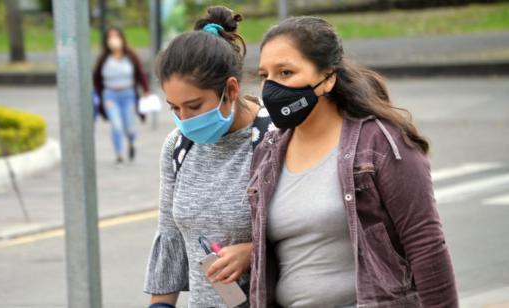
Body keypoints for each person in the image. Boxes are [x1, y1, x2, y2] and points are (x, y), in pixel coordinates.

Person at [249, 16, 458, 307]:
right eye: (264, 76)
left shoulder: (380, 143)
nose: (271, 88)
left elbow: (425, 244)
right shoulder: (267, 154)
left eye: (285, 72)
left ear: (328, 77)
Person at [144, 6, 273, 308]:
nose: (184, 120)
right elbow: (170, 239)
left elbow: (310, 235)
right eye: (174, 108)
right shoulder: (178, 146)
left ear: (230, 89)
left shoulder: (274, 137)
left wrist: (254, 251)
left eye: (194, 106)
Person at [93, 27, 150, 165]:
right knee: (116, 125)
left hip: (128, 95)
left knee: (130, 127)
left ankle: (131, 142)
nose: (113, 40)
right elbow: (96, 78)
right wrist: (100, 97)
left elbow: (140, 74)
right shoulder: (103, 59)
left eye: (116, 36)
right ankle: (119, 154)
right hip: (110, 96)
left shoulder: (130, 56)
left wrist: (146, 90)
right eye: (110, 37)